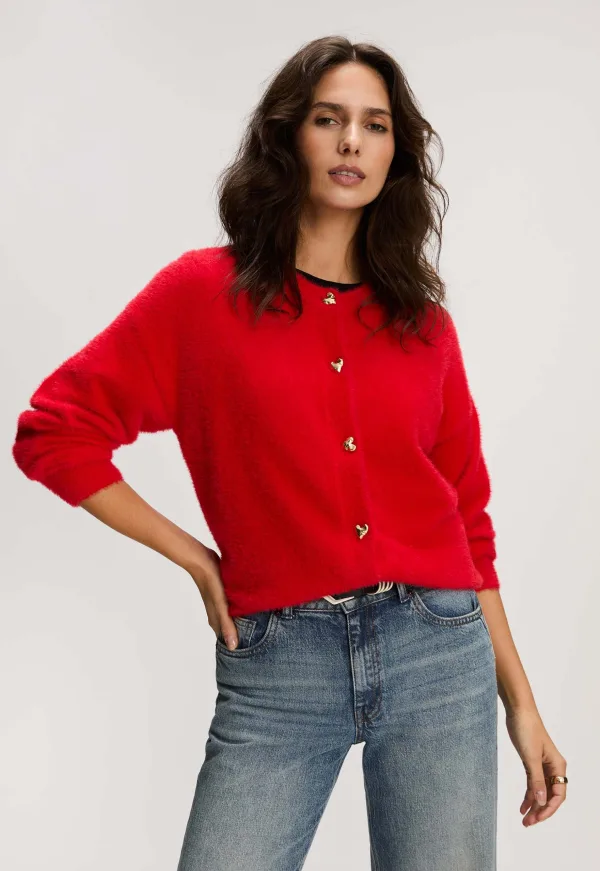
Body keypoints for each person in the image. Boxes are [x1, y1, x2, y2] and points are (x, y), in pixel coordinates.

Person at [12, 35, 567, 870]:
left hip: (438, 647)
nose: (352, 142)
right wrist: (197, 560)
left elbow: (468, 522)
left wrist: (520, 702)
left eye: (375, 125)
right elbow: (54, 430)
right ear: (288, 136)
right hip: (279, 662)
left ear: (396, 153)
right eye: (327, 118)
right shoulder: (202, 296)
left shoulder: (423, 325)